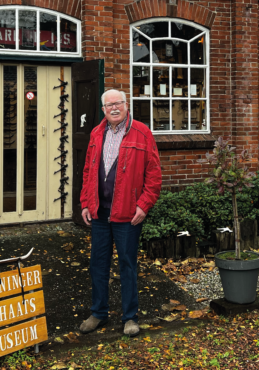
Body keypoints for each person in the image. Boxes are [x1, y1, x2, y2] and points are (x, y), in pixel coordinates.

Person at [78, 89, 162, 337]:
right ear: (103, 109)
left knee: (127, 265)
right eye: (108, 105)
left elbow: (154, 175)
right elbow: (87, 171)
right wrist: (85, 202)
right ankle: (98, 313)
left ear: (127, 105)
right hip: (100, 213)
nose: (114, 108)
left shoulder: (142, 132)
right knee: (98, 265)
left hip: (128, 214)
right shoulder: (96, 133)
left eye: (118, 103)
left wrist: (143, 205)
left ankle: (130, 317)